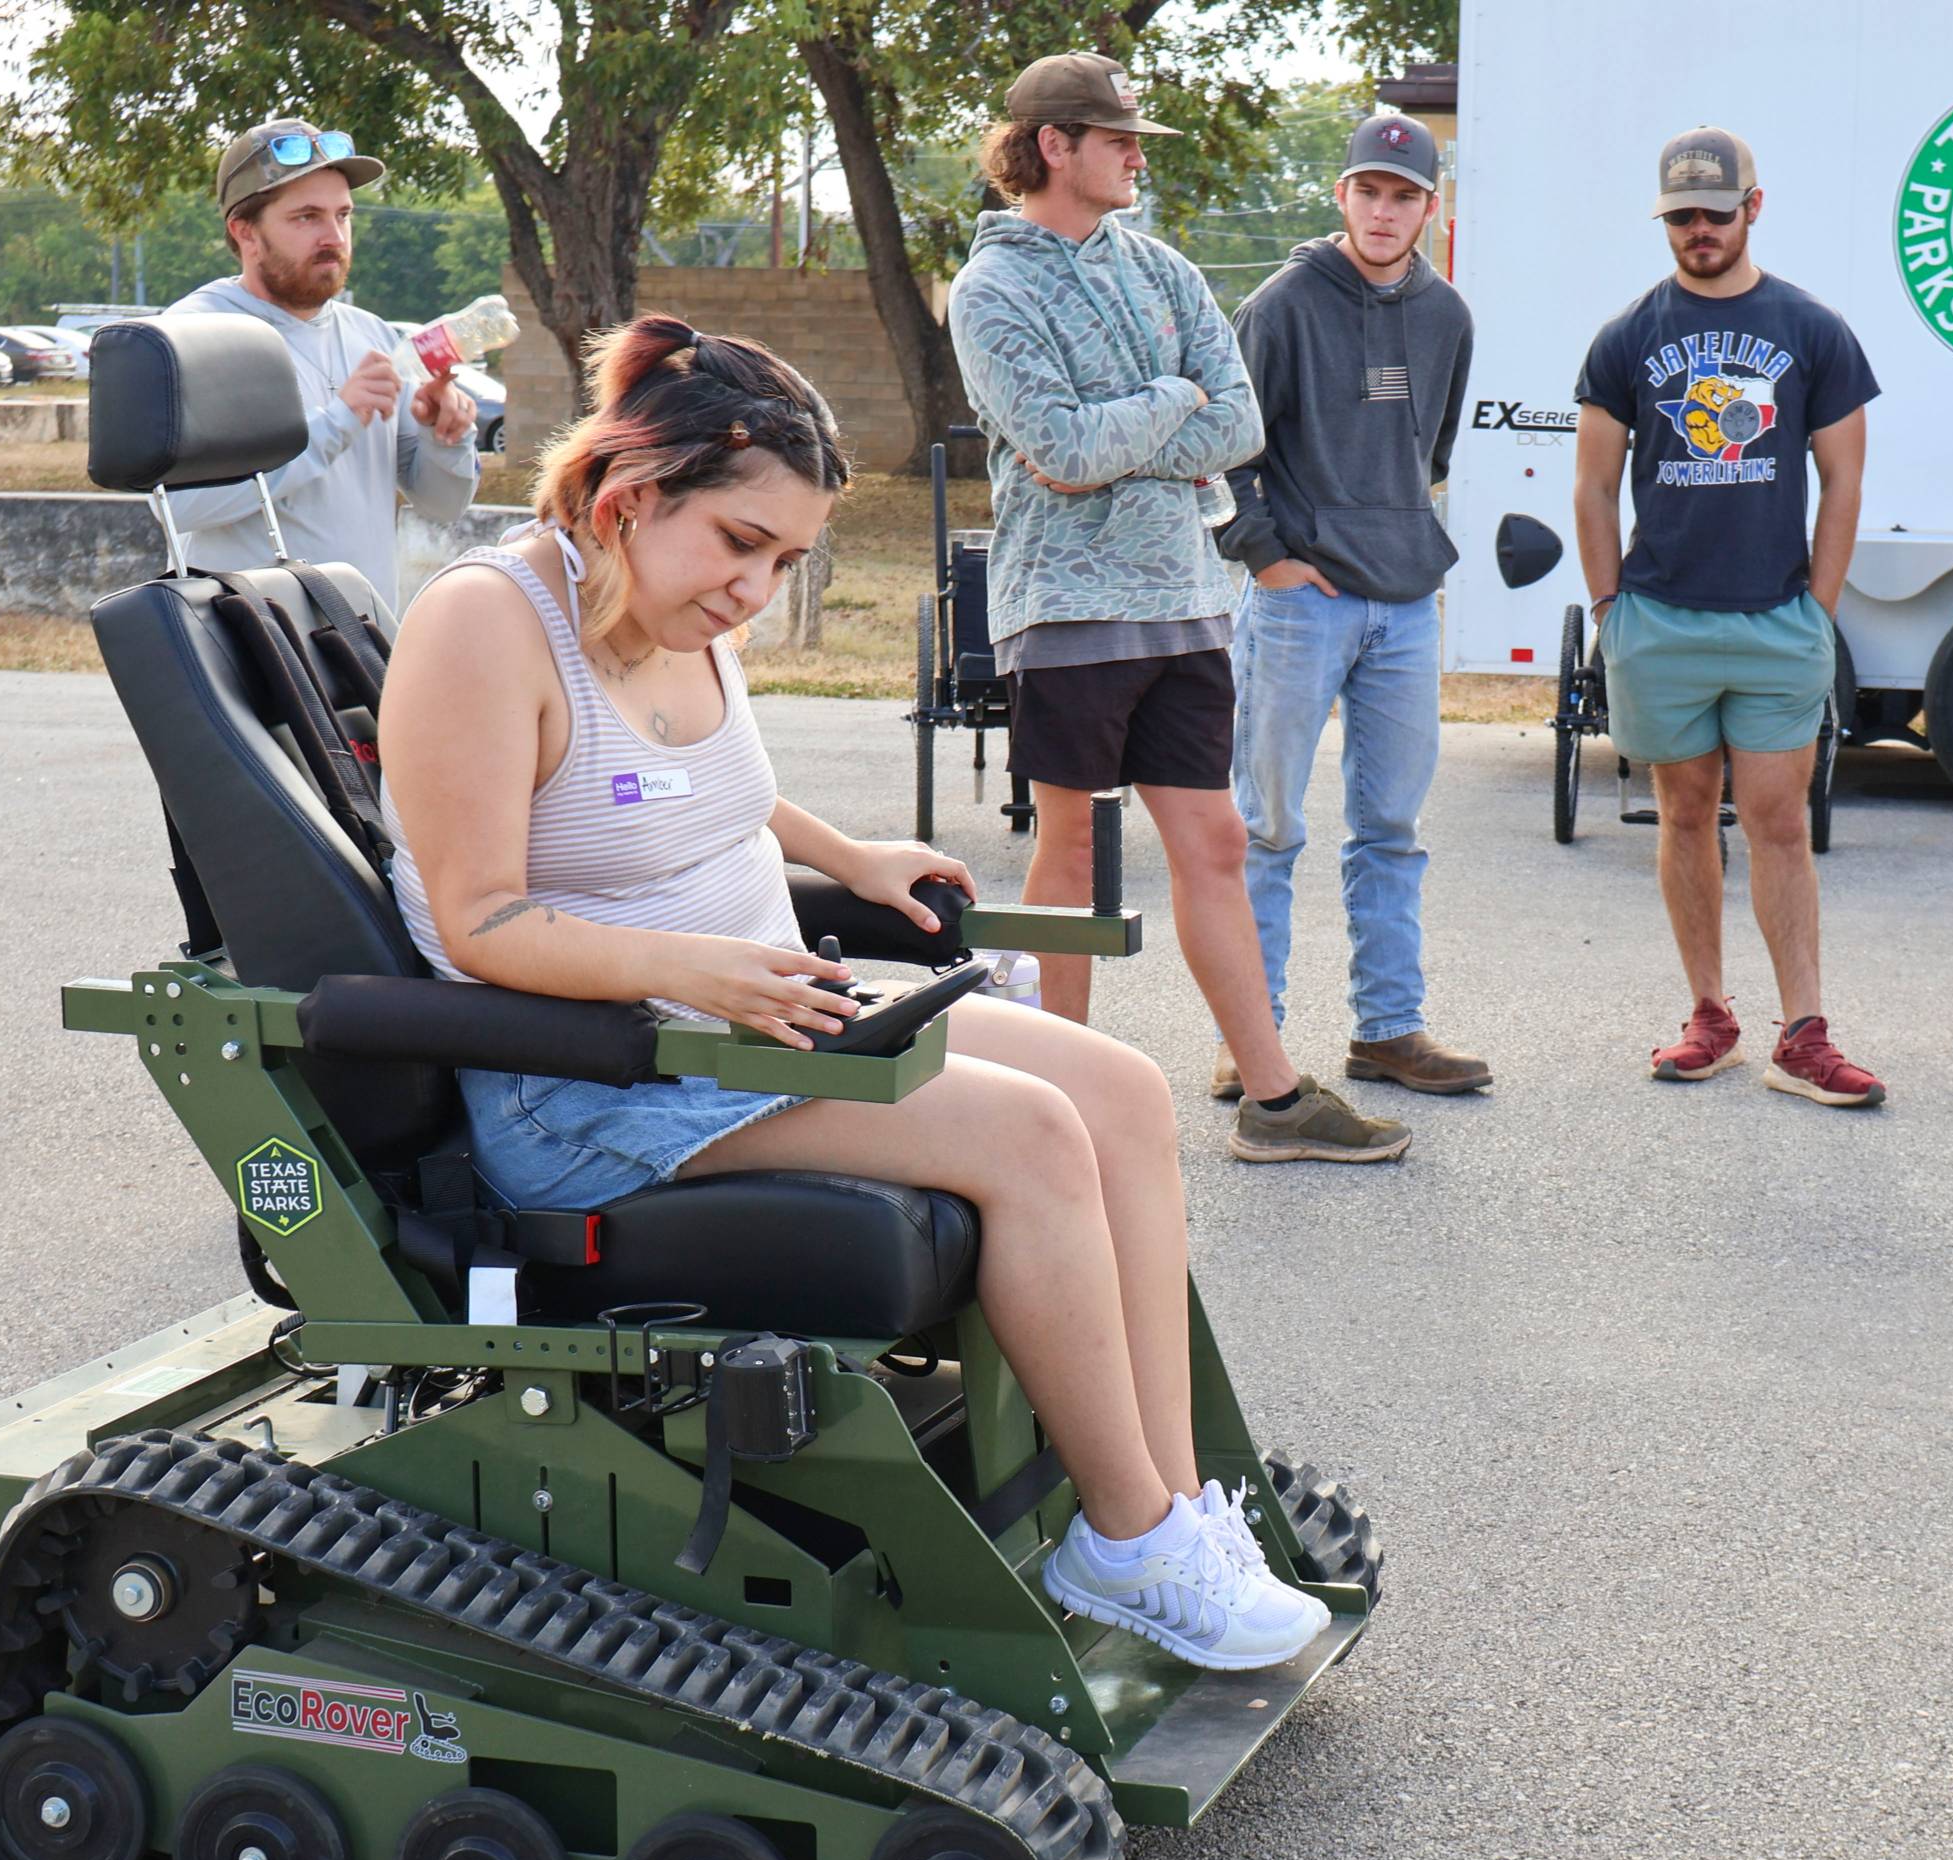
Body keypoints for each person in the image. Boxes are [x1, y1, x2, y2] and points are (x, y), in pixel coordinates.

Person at [376, 317, 1330, 1670]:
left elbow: (700, 798)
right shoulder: (484, 626)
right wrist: (688, 971)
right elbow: (479, 922)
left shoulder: (670, 601)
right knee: (1031, 1135)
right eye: (741, 545)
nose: (757, 588)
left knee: (1115, 1088)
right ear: (630, 498)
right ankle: (1127, 1527)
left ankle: (1166, 1517)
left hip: (740, 1020)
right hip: (591, 1081)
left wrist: (843, 856)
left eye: (785, 559)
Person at [950, 52, 1410, 1166]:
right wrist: (1168, 402)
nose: (1136, 154)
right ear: (1054, 145)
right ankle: (1054, 1103)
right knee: (1071, 840)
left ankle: (1275, 1098)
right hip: (1064, 608)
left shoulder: (1160, 268)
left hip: (1189, 604)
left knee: (1214, 836)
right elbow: (1056, 448)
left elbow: (1239, 428)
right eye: (1117, 138)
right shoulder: (992, 289)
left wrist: (1134, 430)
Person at [1571, 126, 1883, 1108]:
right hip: (1659, 617)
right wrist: (1611, 606)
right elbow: (1592, 484)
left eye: (1714, 211)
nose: (1698, 230)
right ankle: (1710, 1013)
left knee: (1780, 820)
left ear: (1754, 206)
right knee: (1684, 810)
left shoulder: (1812, 329)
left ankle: (1806, 1031)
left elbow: (1843, 480)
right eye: (1680, 216)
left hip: (1773, 618)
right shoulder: (1627, 335)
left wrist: (1817, 612)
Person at [1213, 112, 1489, 1103]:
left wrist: (1396, 534)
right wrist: (1269, 558)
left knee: (1391, 828)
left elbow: (1436, 452)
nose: (1385, 211)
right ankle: (1255, 1041)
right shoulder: (1283, 304)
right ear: (1343, 196)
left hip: (1407, 606)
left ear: (1428, 206)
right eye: (1369, 190)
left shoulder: (1448, 315)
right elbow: (1225, 453)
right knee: (1269, 827)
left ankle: (1390, 1029)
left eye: (1404, 195)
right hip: (1301, 604)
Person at [164, 118, 481, 608]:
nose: (333, 236)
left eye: (343, 215)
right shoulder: (192, 335)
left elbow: (443, 504)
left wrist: (444, 437)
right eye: (306, 217)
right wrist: (337, 421)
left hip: (363, 648)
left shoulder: (372, 335)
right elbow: (182, 507)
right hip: (249, 651)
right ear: (244, 231)